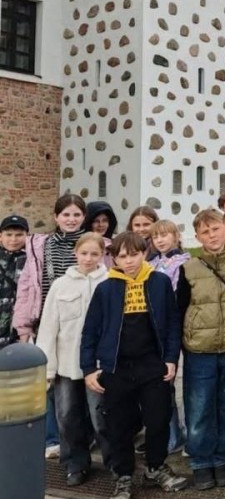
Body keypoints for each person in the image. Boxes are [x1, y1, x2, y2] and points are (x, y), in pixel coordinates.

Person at [80, 232, 188, 499]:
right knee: (119, 424)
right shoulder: (106, 288)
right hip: (117, 367)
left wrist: (170, 358)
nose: (129, 261)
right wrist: (88, 368)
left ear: (144, 254)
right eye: (122, 256)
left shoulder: (160, 282)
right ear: (114, 259)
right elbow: (91, 330)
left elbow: (172, 323)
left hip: (152, 364)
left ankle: (155, 466)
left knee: (158, 418)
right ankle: (123, 475)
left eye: (134, 255)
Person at [177, 210, 225, 490]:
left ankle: (224, 457)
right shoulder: (189, 268)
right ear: (198, 237)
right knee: (199, 406)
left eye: (216, 229)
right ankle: (201, 460)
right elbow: (180, 307)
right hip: (200, 348)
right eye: (205, 232)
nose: (212, 235)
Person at [14, 193, 87, 459]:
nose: (71, 219)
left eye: (76, 214)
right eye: (66, 214)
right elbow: (27, 286)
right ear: (56, 217)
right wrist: (23, 326)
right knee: (50, 383)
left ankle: (83, 438)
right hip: (47, 322)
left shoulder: (94, 244)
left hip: (81, 326)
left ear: (84, 217)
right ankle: (54, 439)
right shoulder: (39, 245)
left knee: (80, 384)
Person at [37, 232, 112, 486]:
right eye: (84, 253)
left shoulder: (110, 282)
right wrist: (47, 368)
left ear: (102, 255)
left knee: (101, 416)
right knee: (67, 416)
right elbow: (49, 327)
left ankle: (115, 462)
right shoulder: (61, 285)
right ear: (75, 253)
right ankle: (75, 463)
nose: (88, 258)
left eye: (94, 254)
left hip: (99, 365)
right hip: (67, 363)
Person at [148, 220, 190, 455]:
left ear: (175, 236)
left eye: (165, 235)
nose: (160, 240)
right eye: (156, 237)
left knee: (177, 384)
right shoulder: (151, 263)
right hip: (153, 328)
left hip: (173, 326)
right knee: (161, 387)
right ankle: (171, 435)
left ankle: (184, 434)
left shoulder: (183, 262)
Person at [0, 214, 28, 349]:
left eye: (19, 235)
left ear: (27, 236)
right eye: (9, 234)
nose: (13, 239)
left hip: (19, 330)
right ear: (1, 236)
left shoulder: (33, 260)